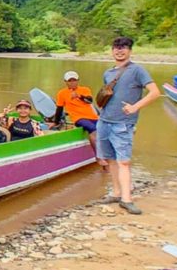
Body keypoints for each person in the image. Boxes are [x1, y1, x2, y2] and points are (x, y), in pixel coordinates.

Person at [95, 36, 160, 215]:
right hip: (104, 121)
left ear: (130, 50)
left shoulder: (137, 70)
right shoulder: (108, 73)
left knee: (124, 161)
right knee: (111, 160)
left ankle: (127, 199)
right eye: (116, 47)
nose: (119, 50)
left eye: (123, 47)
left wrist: (135, 107)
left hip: (123, 124)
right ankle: (116, 193)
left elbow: (155, 92)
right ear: (112, 50)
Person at [55, 70, 98, 149]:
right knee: (93, 129)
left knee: (105, 129)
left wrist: (79, 96)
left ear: (78, 81)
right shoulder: (62, 93)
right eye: (69, 81)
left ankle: (107, 153)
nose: (72, 82)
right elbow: (59, 109)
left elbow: (90, 101)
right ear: (65, 82)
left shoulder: (85, 90)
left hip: (93, 117)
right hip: (78, 118)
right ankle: (99, 156)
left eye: (74, 80)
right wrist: (55, 122)